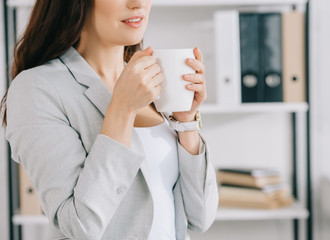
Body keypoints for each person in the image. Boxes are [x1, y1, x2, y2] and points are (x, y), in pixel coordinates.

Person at [0, 0, 219, 239]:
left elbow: (201, 217)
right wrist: (122, 110)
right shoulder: (36, 88)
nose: (137, 4)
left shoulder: (150, 81)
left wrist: (186, 122)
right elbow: (80, 226)